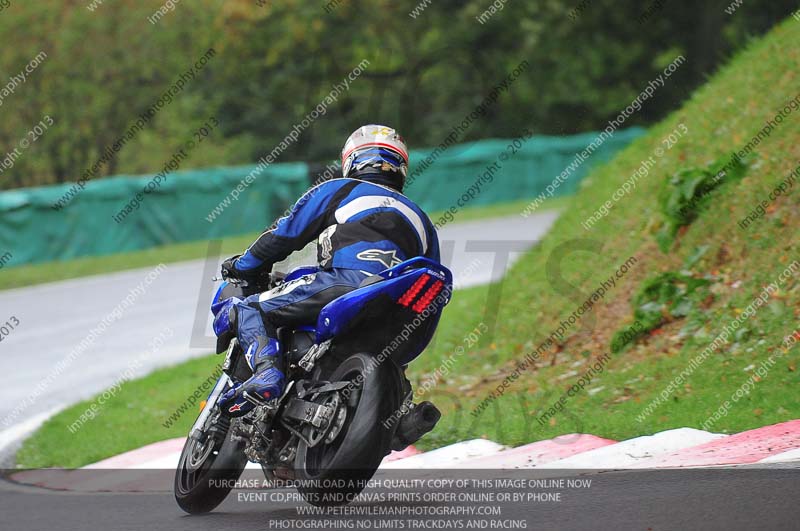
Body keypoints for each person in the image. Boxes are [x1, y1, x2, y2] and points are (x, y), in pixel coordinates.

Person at [212, 124, 440, 417]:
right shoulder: (423, 220)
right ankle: (398, 415)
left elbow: (284, 234)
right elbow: (434, 278)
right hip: (405, 309)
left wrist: (243, 265)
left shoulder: (340, 189)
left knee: (249, 309)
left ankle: (267, 371)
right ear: (400, 167)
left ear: (352, 160)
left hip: (347, 282)